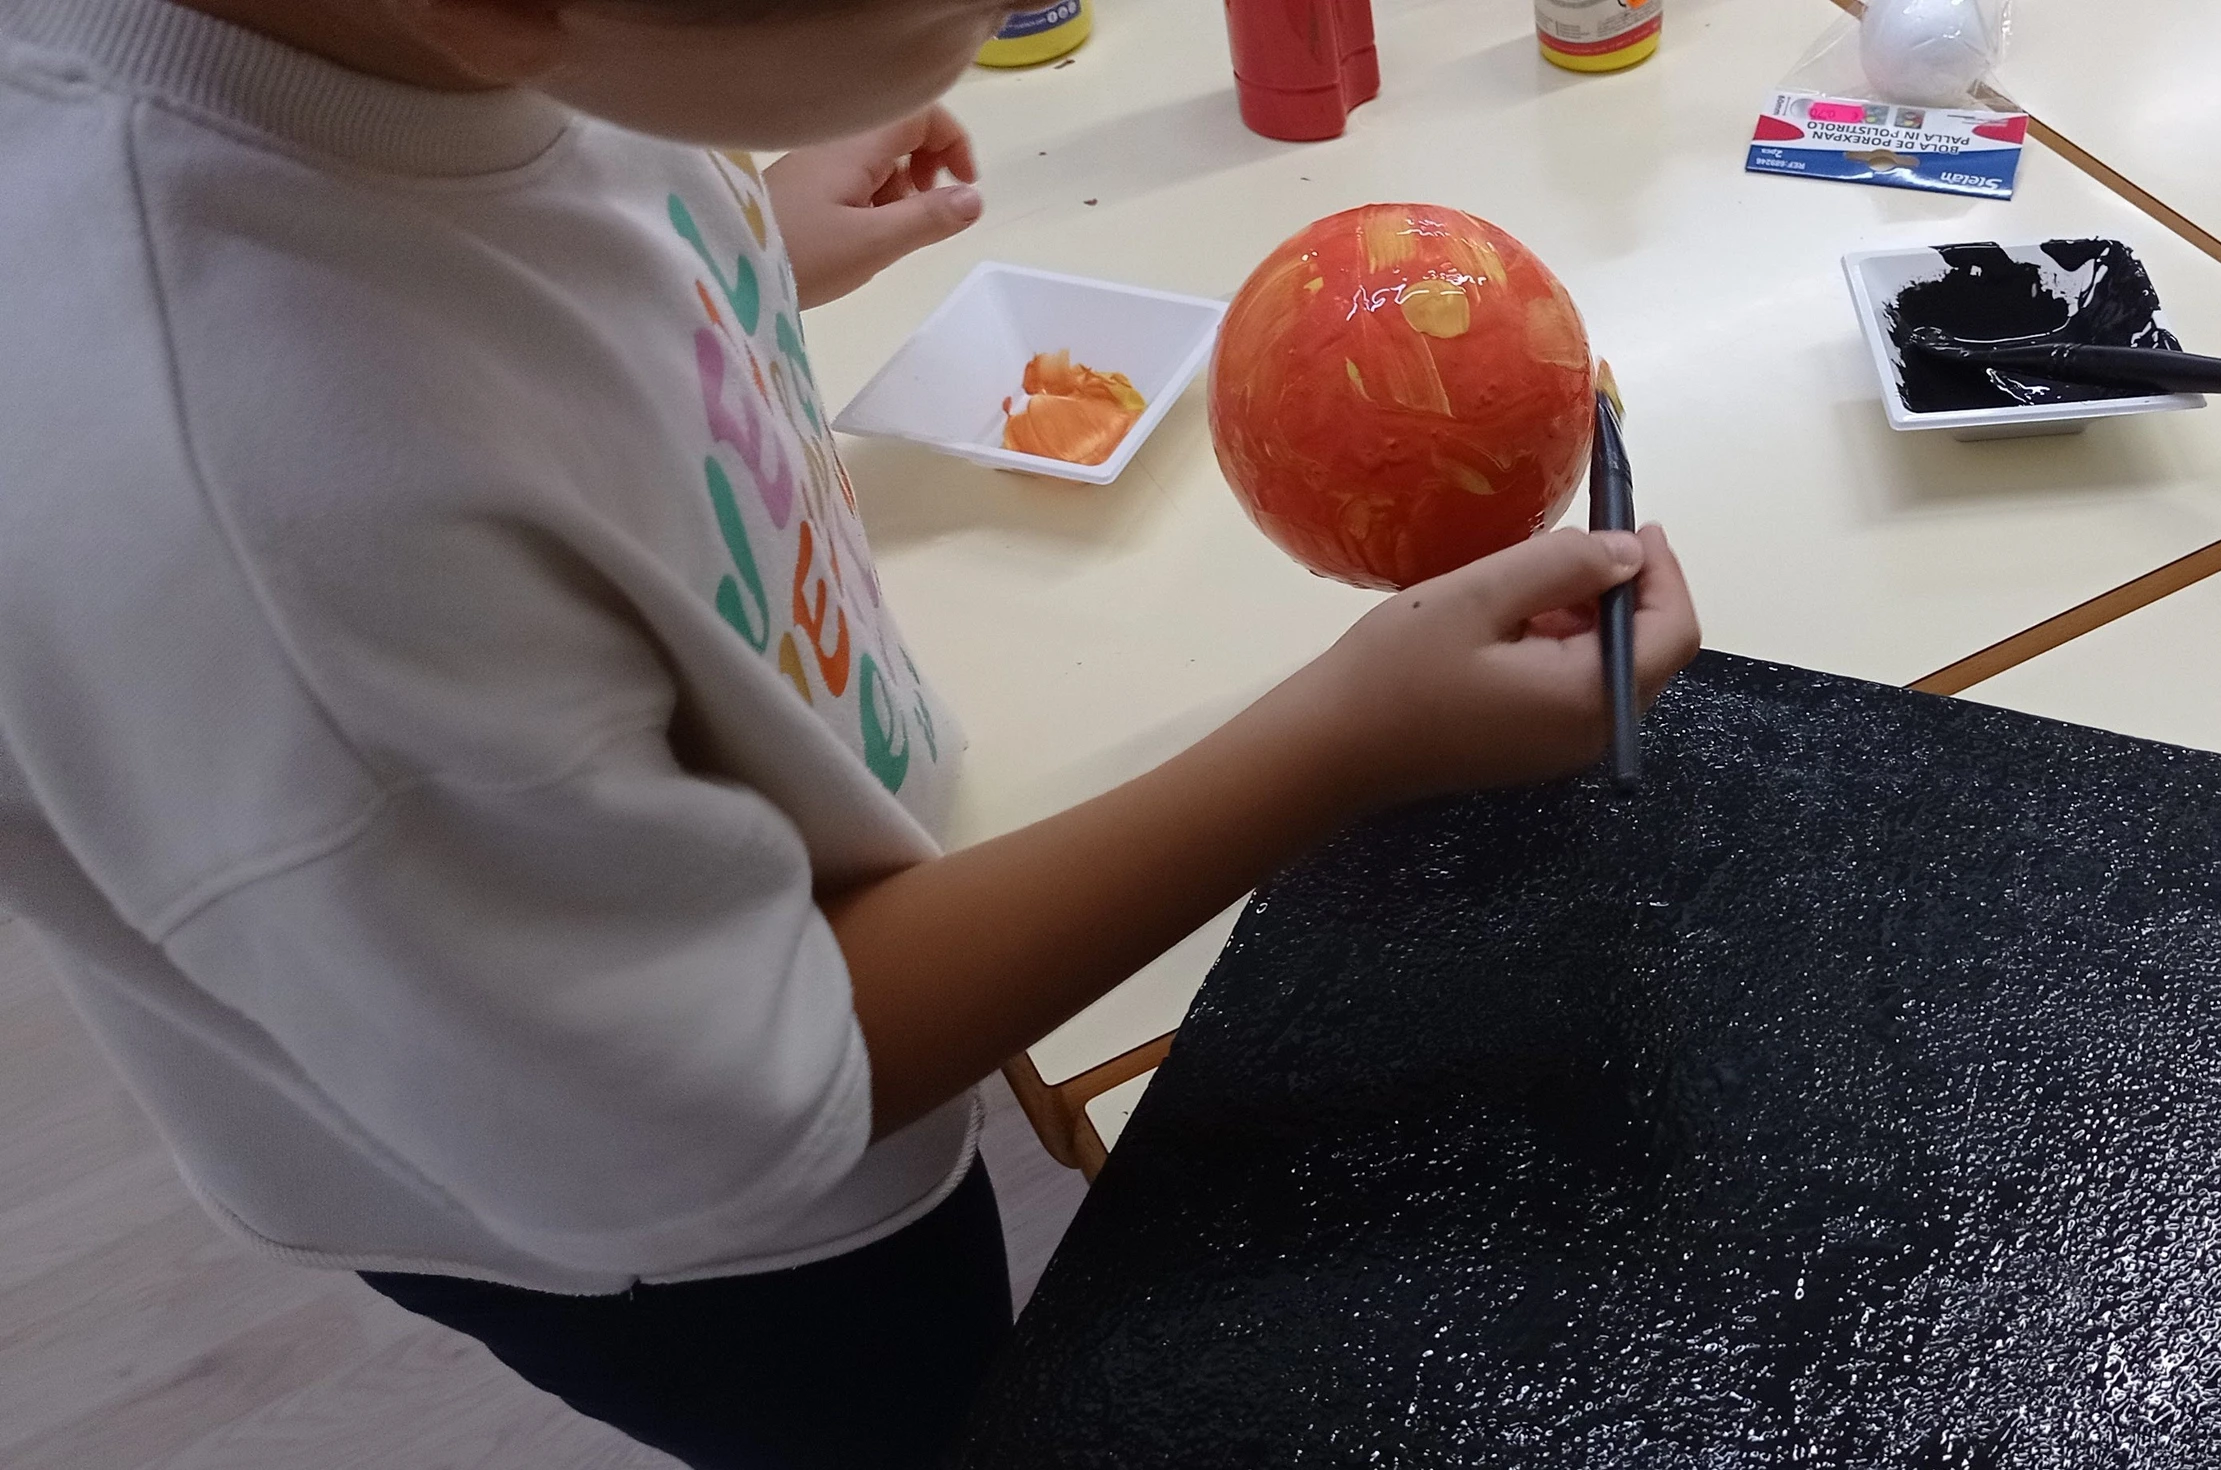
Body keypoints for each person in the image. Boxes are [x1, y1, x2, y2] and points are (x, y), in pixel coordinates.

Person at [0, 0, 1701, 1464]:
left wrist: (735, 235)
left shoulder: (387, 69)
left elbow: (526, 265)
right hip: (706, 1235)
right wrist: (1342, 737)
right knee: (932, 1410)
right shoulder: (259, 527)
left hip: (726, 918)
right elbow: (748, 1097)